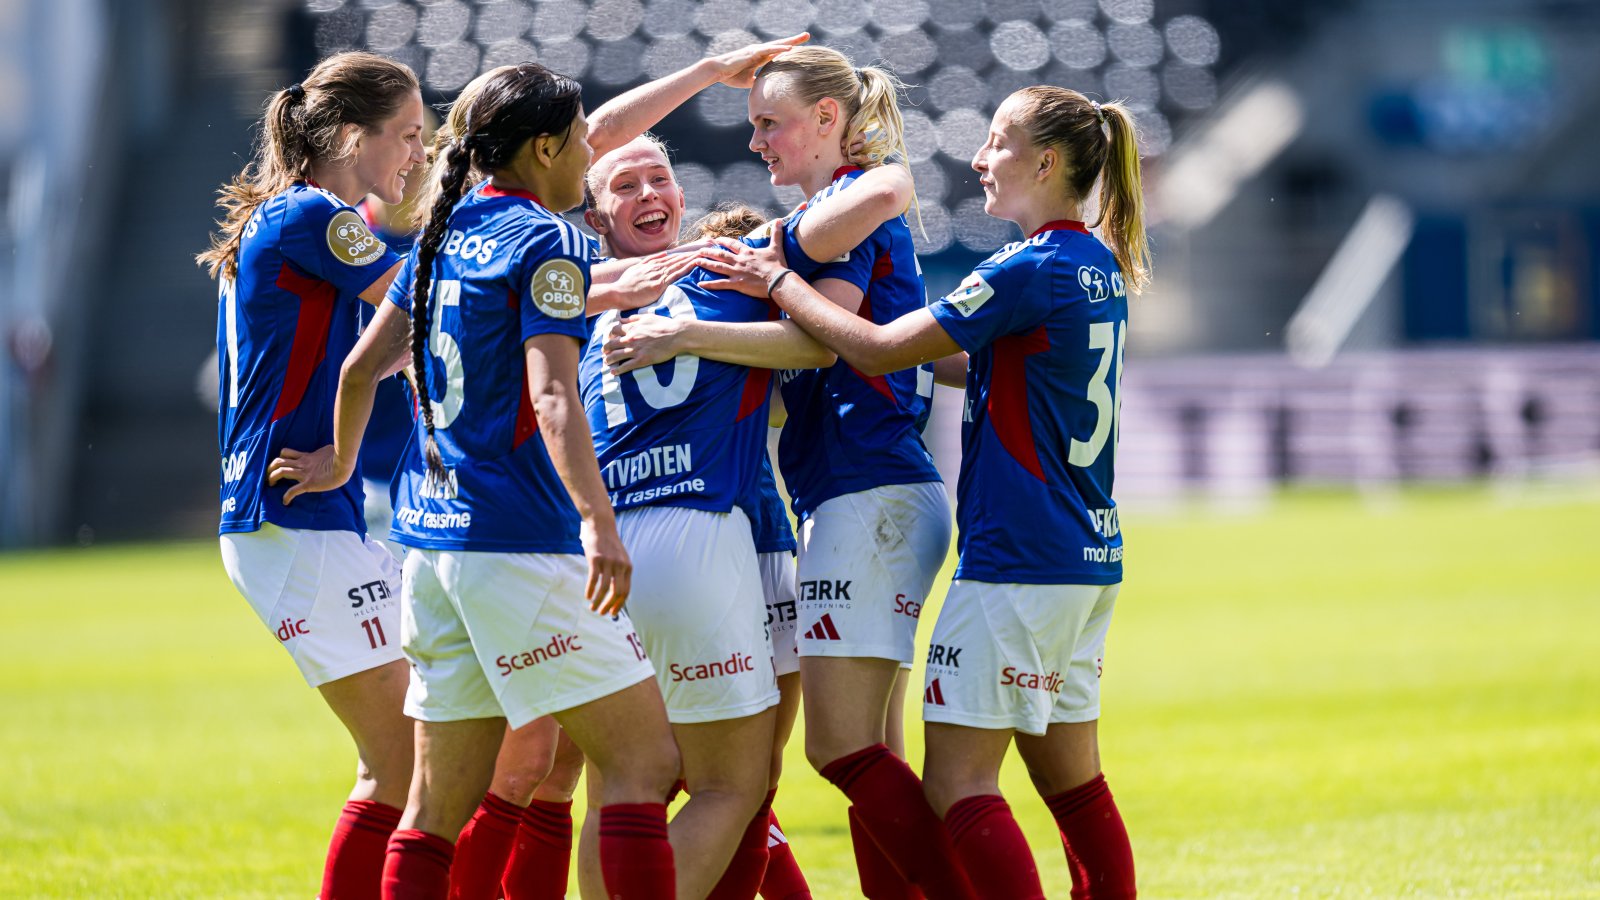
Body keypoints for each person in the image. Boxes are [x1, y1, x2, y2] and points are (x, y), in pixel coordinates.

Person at [694, 86, 1150, 900]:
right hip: (1087, 554)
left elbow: (872, 351)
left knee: (957, 784)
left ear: (1046, 162)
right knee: (1073, 787)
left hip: (1016, 558)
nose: (979, 159)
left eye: (998, 142)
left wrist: (774, 281)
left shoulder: (1026, 267)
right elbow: (962, 359)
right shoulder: (1096, 264)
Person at [609, 46, 969, 899]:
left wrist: (696, 325)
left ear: (826, 120)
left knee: (836, 749)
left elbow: (823, 339)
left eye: (769, 123)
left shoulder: (846, 205)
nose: (757, 141)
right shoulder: (830, 211)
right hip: (864, 487)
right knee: (872, 750)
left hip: (866, 487)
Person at [195, 51, 424, 900]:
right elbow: (430, 304)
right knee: (401, 761)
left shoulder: (299, 215)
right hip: (287, 512)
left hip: (305, 516)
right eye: (405, 136)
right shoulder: (313, 217)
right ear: (352, 136)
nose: (414, 154)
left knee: (435, 748)